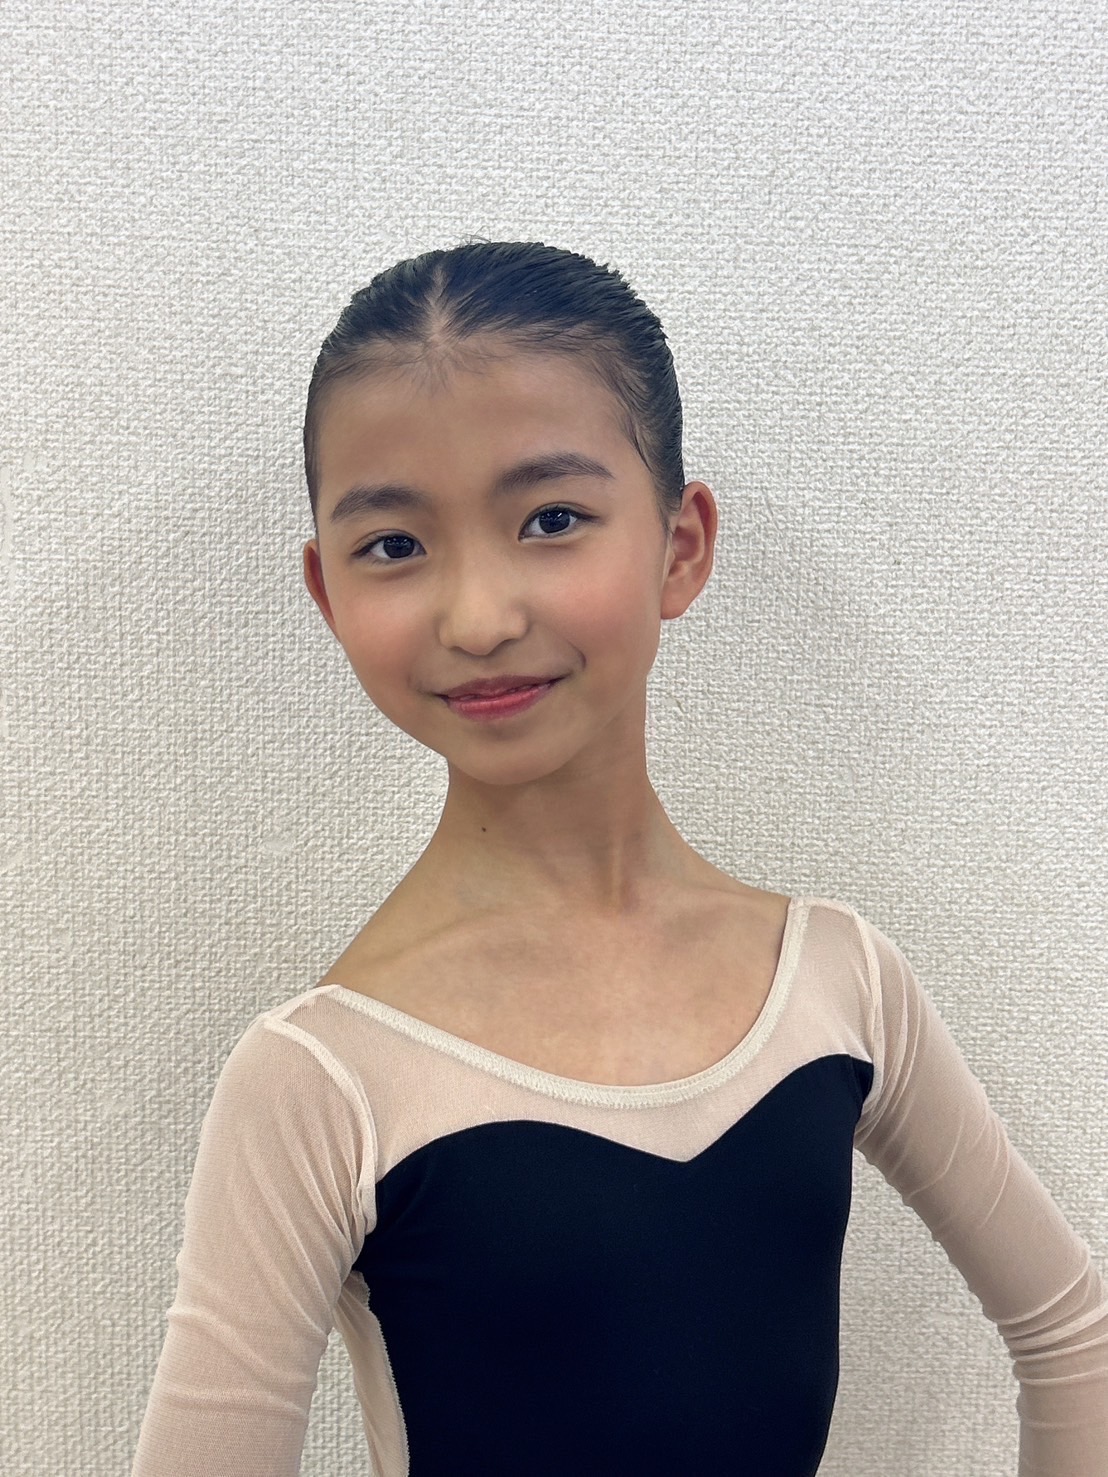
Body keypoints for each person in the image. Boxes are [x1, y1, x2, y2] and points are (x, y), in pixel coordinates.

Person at [131, 240, 1108, 1477]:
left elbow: (1071, 1333)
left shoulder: (838, 981)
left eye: (551, 520)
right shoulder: (322, 1079)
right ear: (328, 594)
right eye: (394, 544)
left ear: (679, 546)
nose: (479, 616)